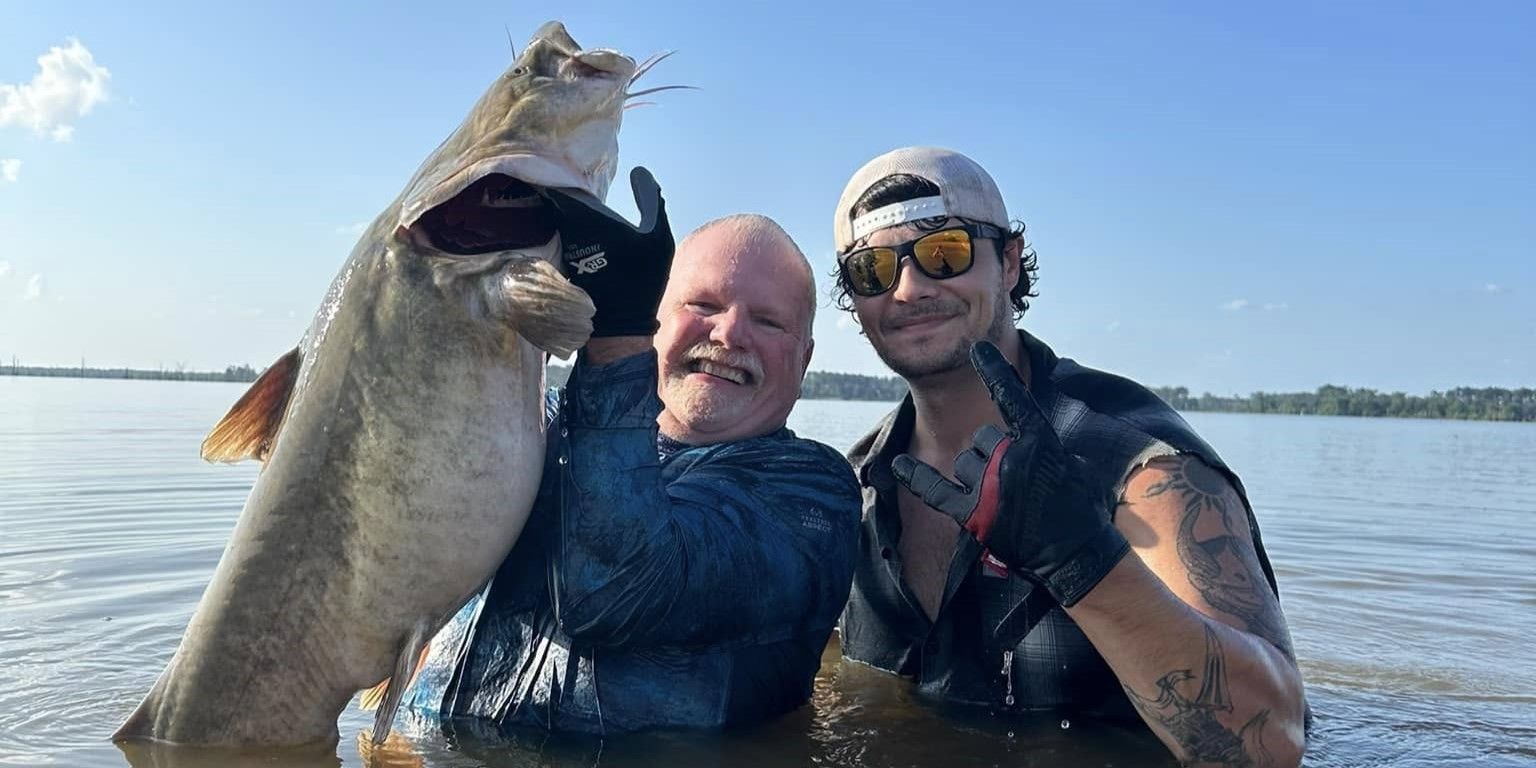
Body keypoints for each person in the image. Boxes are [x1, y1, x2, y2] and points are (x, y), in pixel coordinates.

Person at [830, 148, 1308, 766]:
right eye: (871, 270)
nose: (910, 288)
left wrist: (1083, 560)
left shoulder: (1140, 468)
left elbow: (1273, 744)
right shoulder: (856, 488)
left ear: (1007, 263)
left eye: (943, 253)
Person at [387, 169, 862, 734]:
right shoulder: (540, 424)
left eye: (768, 320)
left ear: (804, 360)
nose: (731, 334)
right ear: (657, 321)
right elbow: (393, 482)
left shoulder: (814, 495)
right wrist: (479, 254)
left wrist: (614, 338)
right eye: (704, 304)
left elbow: (613, 590)